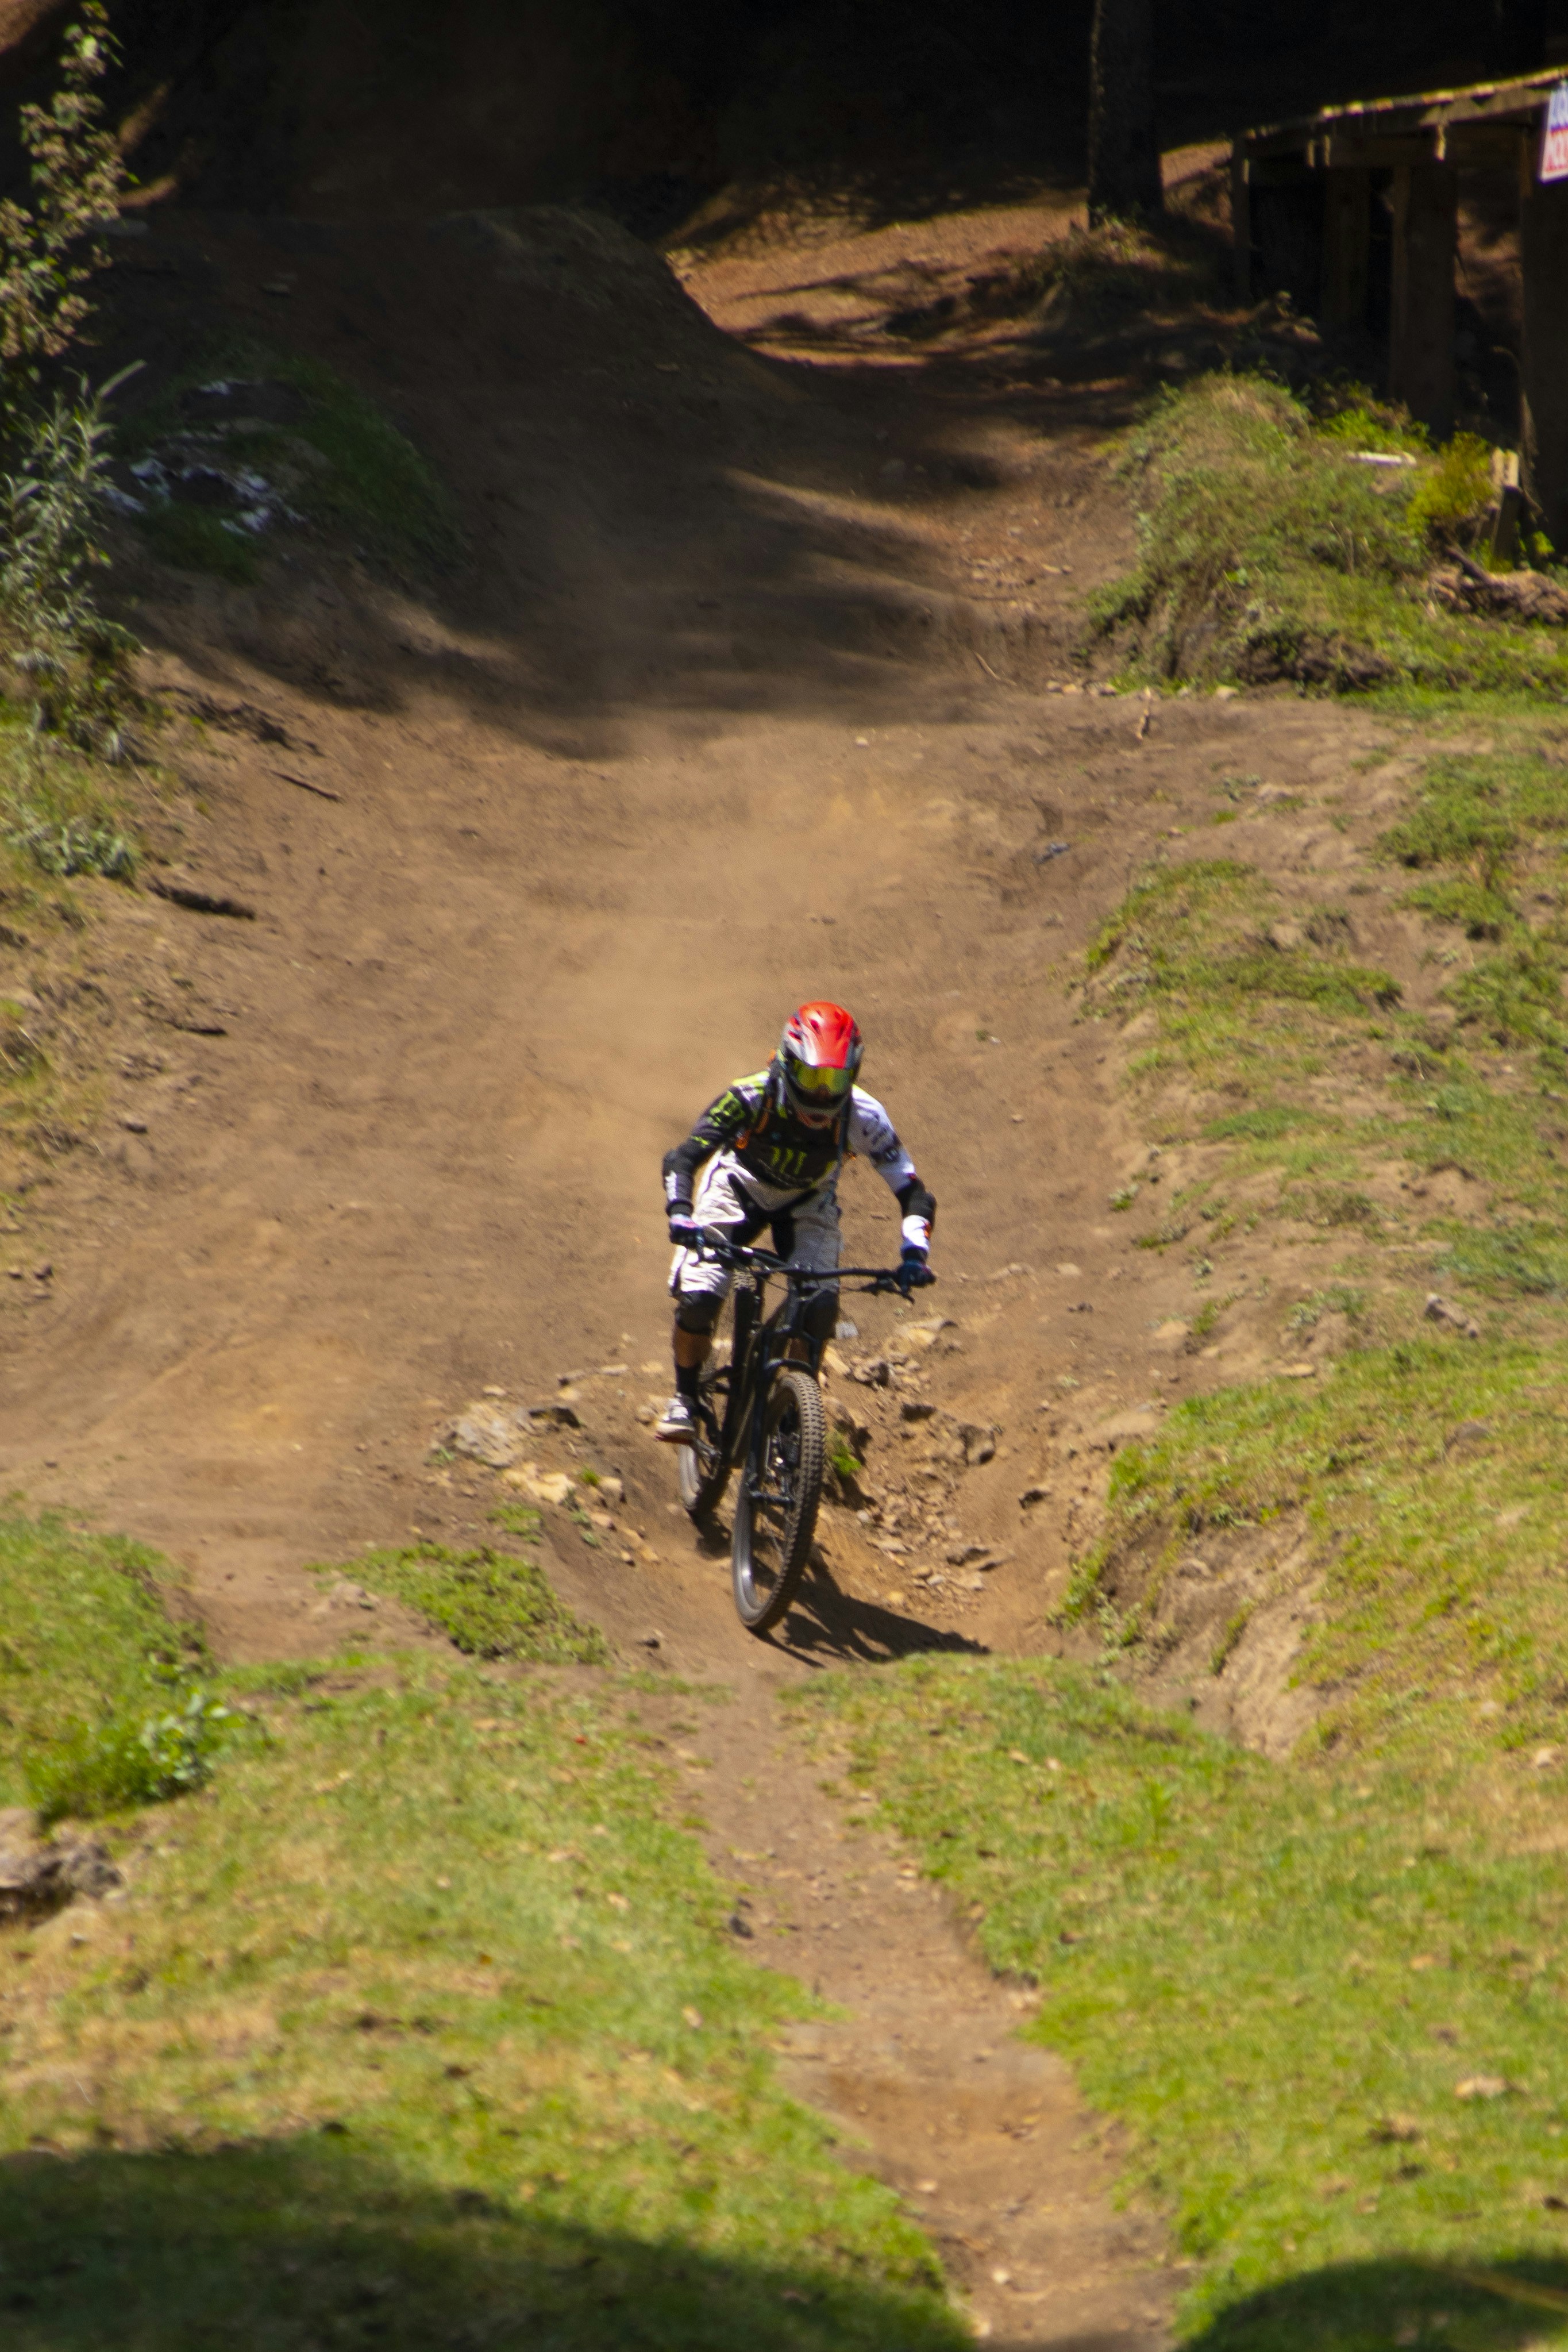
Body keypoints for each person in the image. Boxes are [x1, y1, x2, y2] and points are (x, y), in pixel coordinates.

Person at [655, 1001, 936, 1443]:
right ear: (787, 1063)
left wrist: (914, 1253)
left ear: (854, 1075)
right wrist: (680, 1213)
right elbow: (684, 1156)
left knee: (820, 1308)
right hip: (738, 1187)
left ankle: (791, 1413)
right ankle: (685, 1399)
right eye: (811, 1078)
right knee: (701, 1299)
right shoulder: (749, 1094)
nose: (822, 1095)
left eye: (835, 1080)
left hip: (808, 1201)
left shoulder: (863, 1115)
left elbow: (914, 1192)